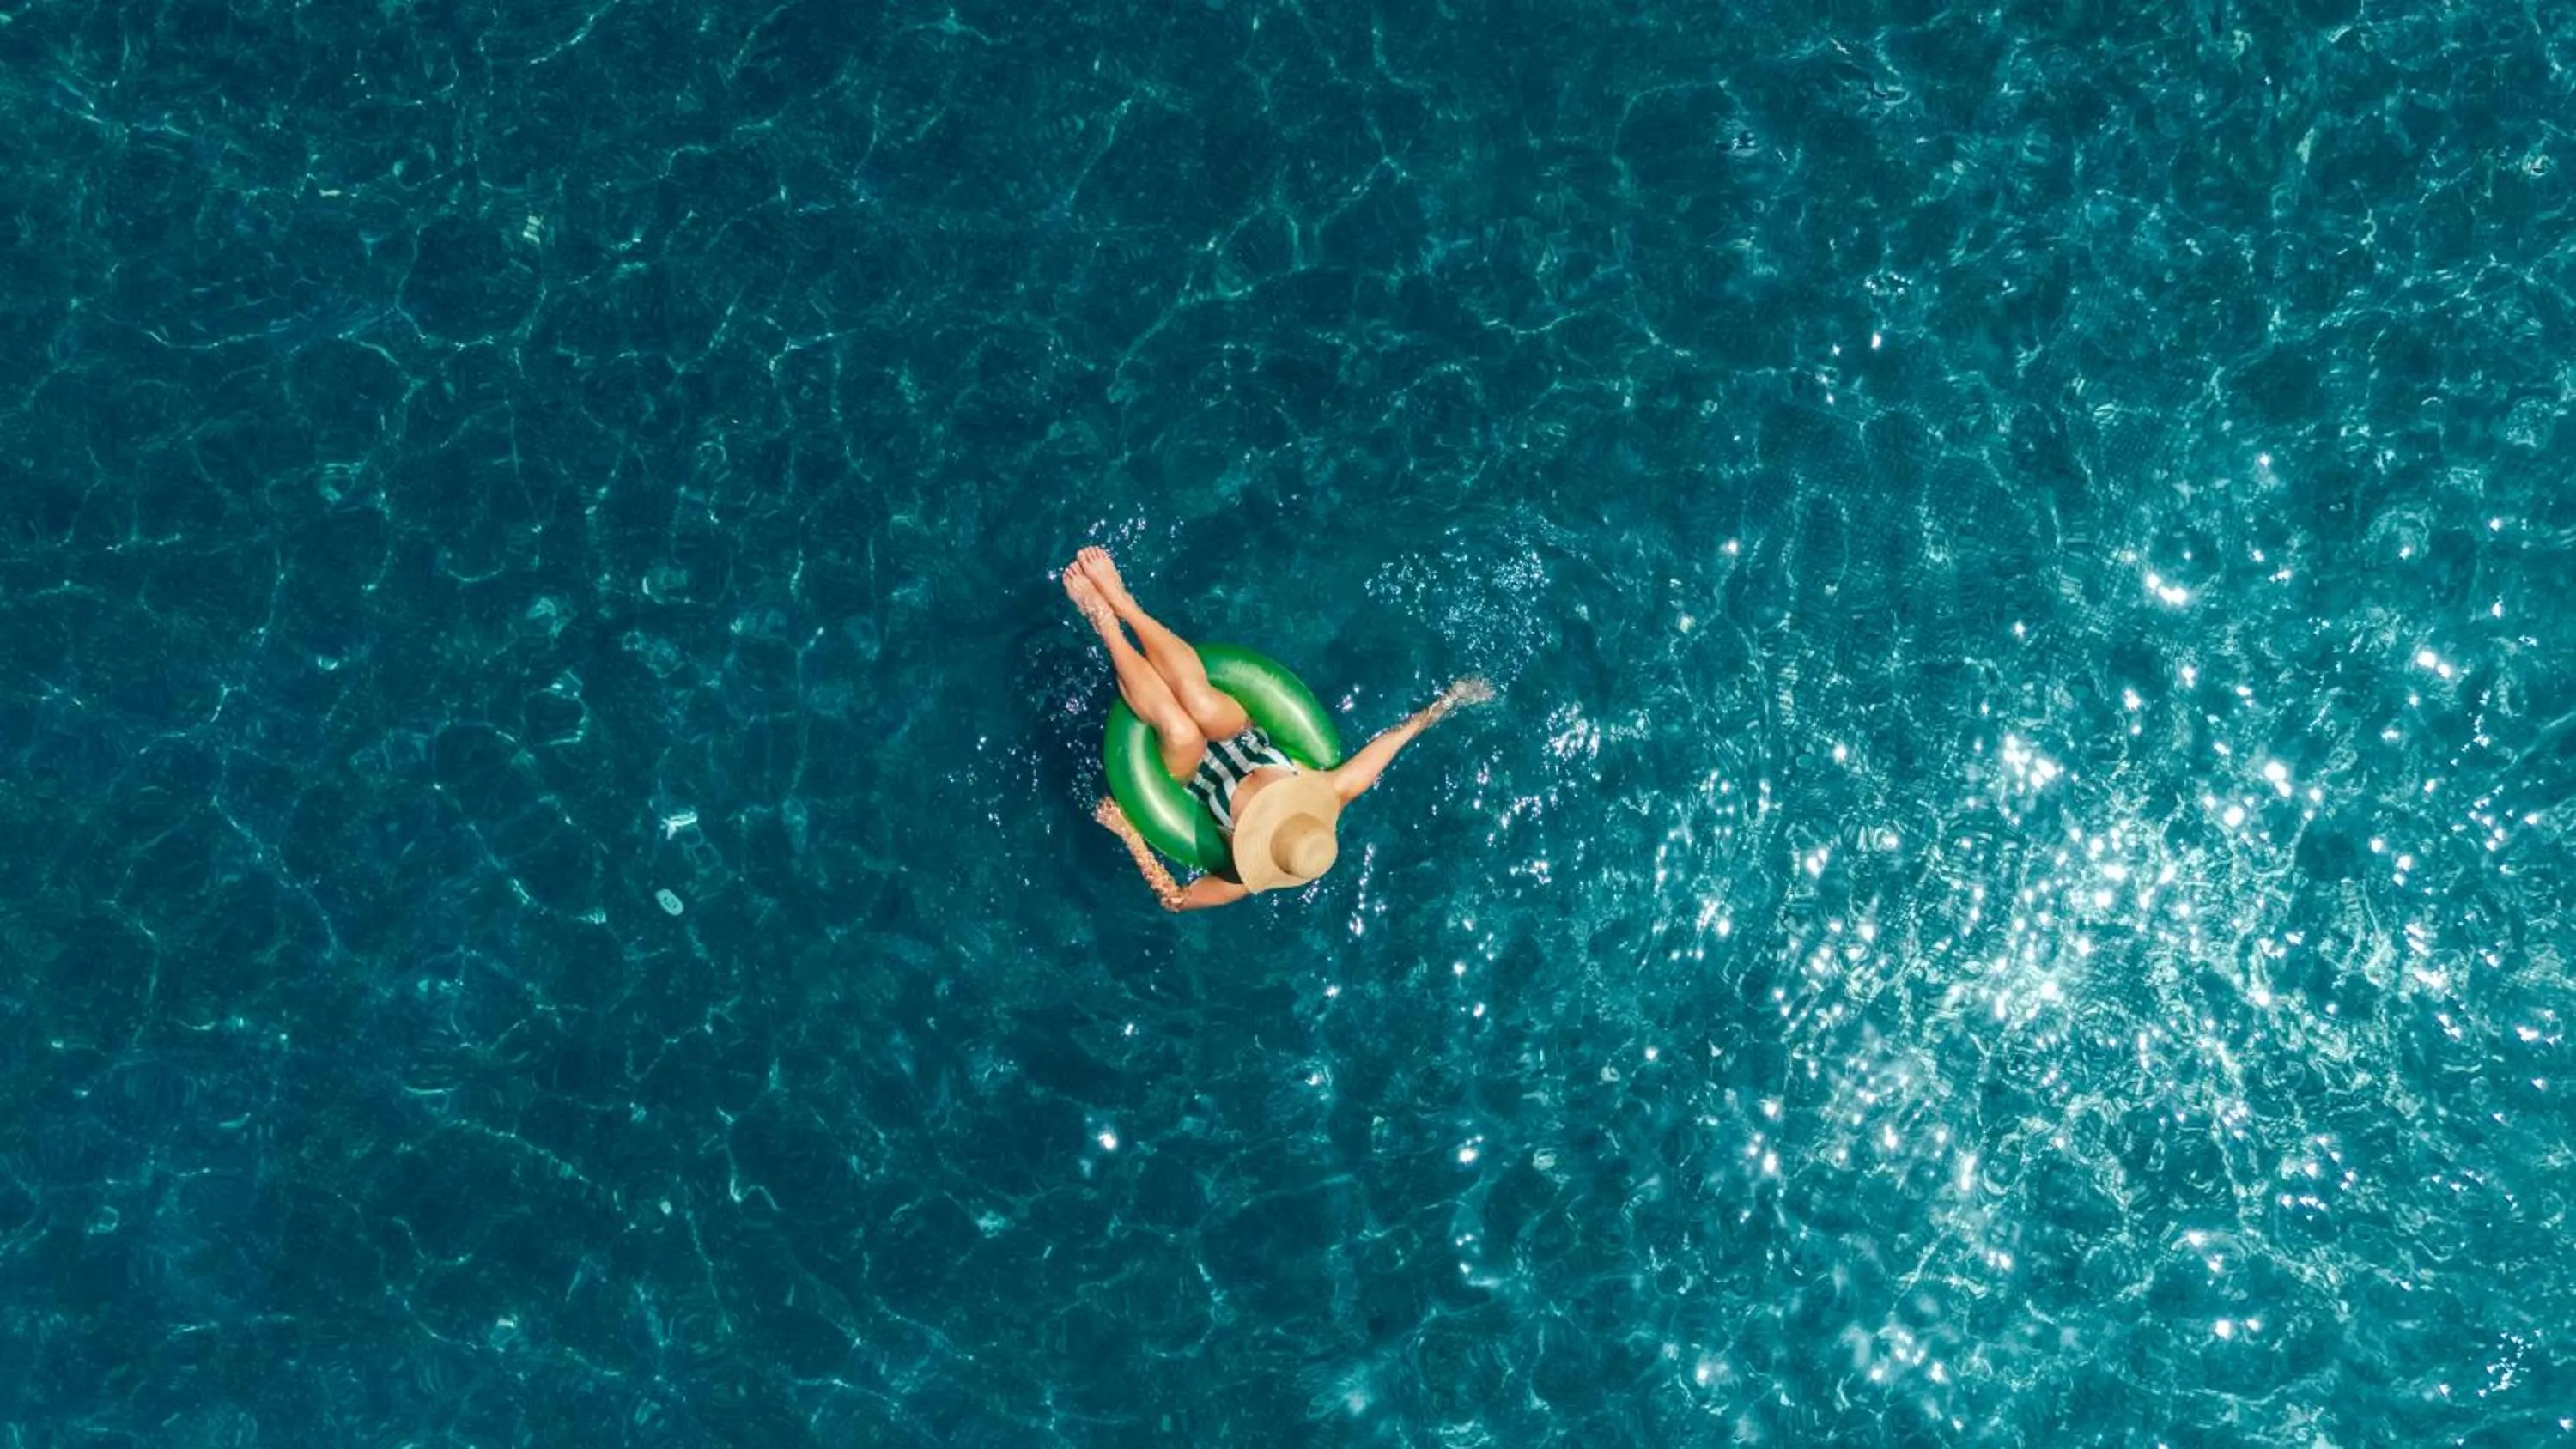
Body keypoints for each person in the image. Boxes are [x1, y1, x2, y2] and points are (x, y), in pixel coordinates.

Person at [1063, 546, 1491, 912]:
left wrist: (1128, 835)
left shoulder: (1241, 874)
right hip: (1239, 732)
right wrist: (1447, 703)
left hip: (1192, 772)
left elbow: (1176, 899)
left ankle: (1105, 624)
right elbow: (1394, 740)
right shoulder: (1332, 790)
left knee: (1180, 730)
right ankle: (1124, 603)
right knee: (1199, 700)